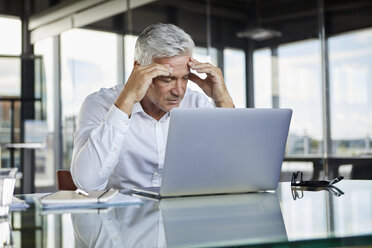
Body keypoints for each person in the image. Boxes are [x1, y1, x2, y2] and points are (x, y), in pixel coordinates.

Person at [70, 23, 234, 191]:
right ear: (139, 70)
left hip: (183, 212)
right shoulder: (99, 105)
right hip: (122, 215)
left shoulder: (197, 104)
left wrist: (223, 101)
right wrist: (126, 101)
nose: (179, 92)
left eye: (184, 78)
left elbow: (233, 170)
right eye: (167, 79)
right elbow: (87, 183)